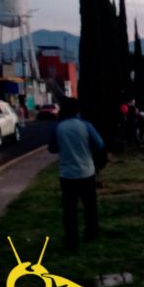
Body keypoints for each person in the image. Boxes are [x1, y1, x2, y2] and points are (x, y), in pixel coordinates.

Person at [48, 97, 104, 250]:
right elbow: (99, 144)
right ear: (78, 110)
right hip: (86, 172)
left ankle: (71, 239)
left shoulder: (59, 127)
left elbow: (52, 148)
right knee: (90, 206)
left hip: (67, 174)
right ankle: (91, 233)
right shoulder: (86, 125)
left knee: (69, 209)